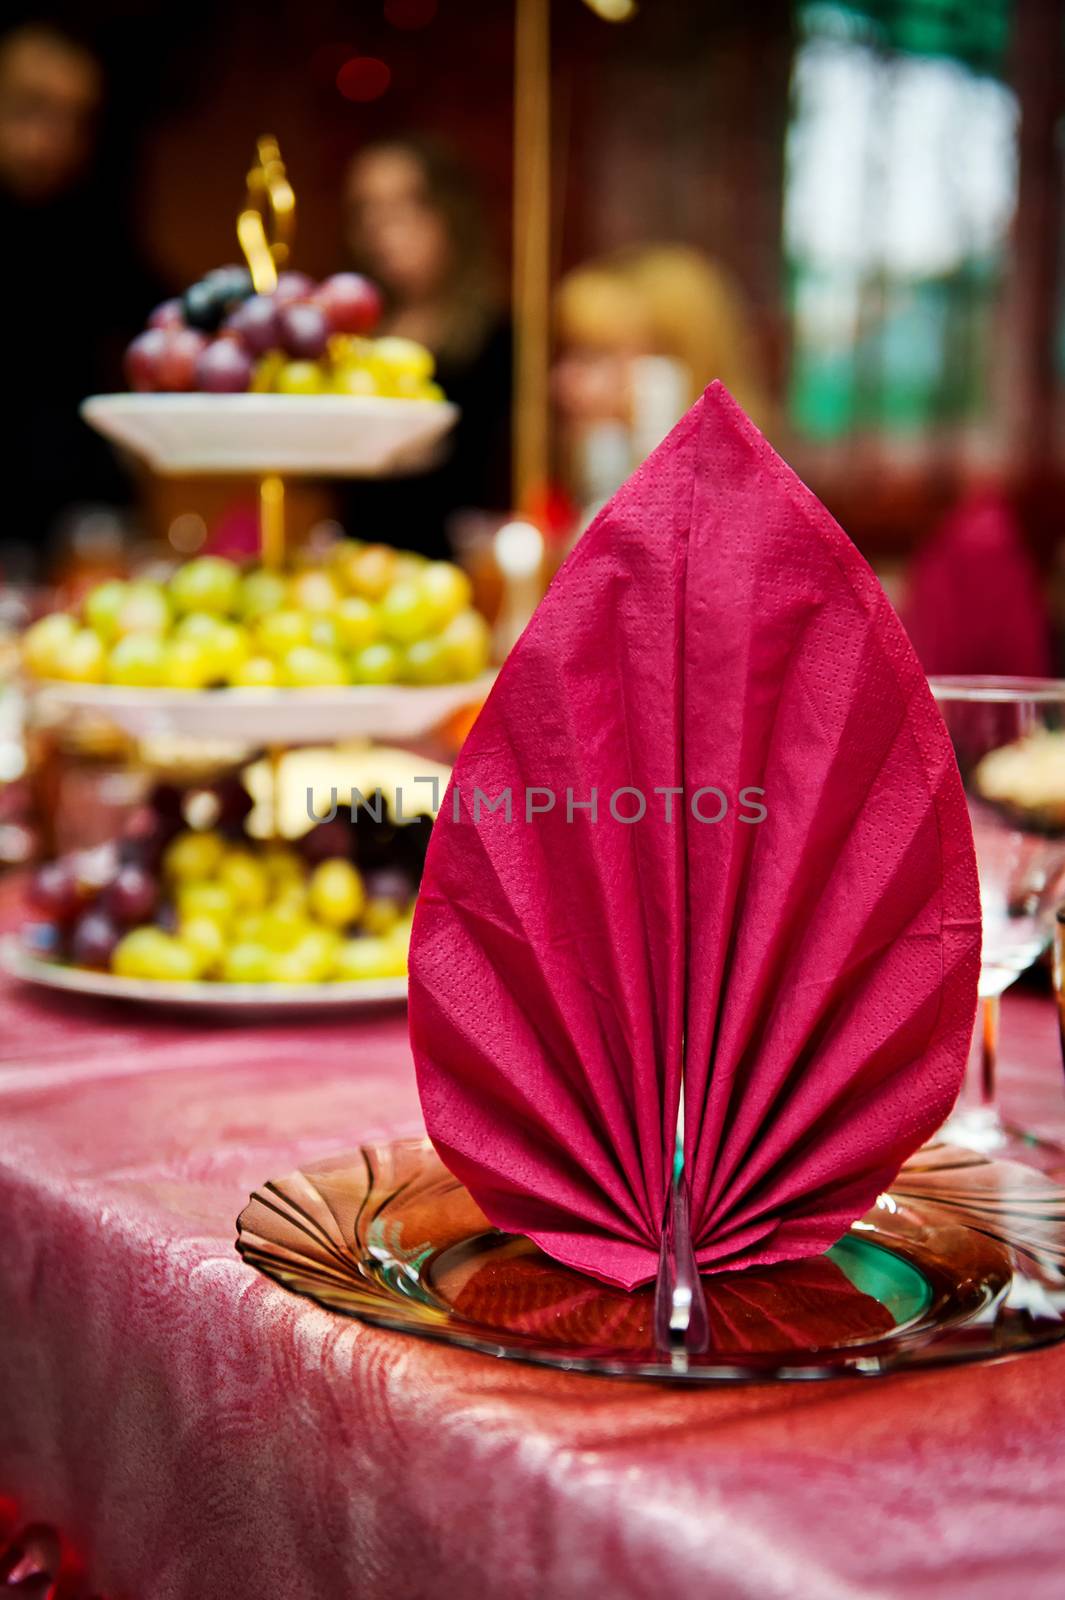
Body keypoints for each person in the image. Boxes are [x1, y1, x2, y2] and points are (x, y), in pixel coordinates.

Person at [0, 22, 151, 580]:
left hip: (65, 537)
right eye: (29, 109)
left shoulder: (91, 225)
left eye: (74, 119)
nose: (51, 139)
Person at [339, 136, 511, 558]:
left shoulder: (498, 339)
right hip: (355, 569)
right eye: (366, 211)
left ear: (449, 212)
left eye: (405, 206)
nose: (382, 228)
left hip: (457, 575)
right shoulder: (350, 341)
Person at [552, 244, 770, 515]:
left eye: (593, 356)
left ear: (668, 368)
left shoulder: (730, 515)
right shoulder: (574, 495)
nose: (563, 380)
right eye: (567, 353)